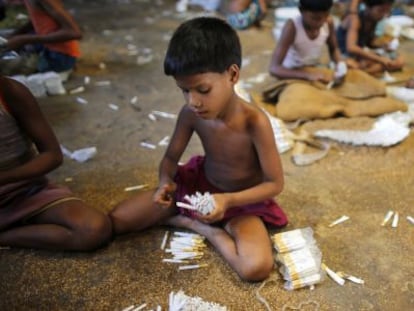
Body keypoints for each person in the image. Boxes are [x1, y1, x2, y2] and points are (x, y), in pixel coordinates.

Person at [109, 16, 287, 282]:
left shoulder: (255, 122)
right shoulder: (190, 113)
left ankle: (207, 230)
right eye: (184, 91)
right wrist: (165, 182)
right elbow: (170, 157)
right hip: (198, 189)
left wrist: (227, 201)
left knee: (256, 268)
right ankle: (193, 217)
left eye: (203, 89)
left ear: (233, 75)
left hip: (240, 201)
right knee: (119, 220)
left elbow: (274, 184)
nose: (193, 101)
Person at [0, 75, 112, 250]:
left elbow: (52, 156)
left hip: (23, 190)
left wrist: (5, 177)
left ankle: (5, 236)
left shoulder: (9, 91)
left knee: (92, 229)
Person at [0, 0, 81, 78]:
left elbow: (74, 33)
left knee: (4, 65)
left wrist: (24, 40)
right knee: (3, 35)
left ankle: (62, 68)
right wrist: (16, 34)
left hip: (58, 57)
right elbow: (38, 17)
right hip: (46, 46)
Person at [269, 0, 344, 83]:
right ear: (301, 11)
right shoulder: (292, 27)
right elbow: (274, 68)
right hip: (291, 73)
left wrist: (340, 63)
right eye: (313, 18)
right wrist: (306, 75)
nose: (318, 23)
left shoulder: (328, 22)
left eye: (322, 18)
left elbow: (334, 49)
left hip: (313, 69)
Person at [336, 0, 404, 74]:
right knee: (353, 64)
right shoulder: (355, 20)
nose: (383, 14)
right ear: (368, 7)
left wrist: (383, 45)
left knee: (399, 60)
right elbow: (351, 48)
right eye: (380, 10)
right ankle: (365, 72)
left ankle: (366, 71)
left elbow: (369, 42)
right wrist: (379, 59)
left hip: (357, 57)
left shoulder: (373, 20)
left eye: (386, 11)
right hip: (343, 55)